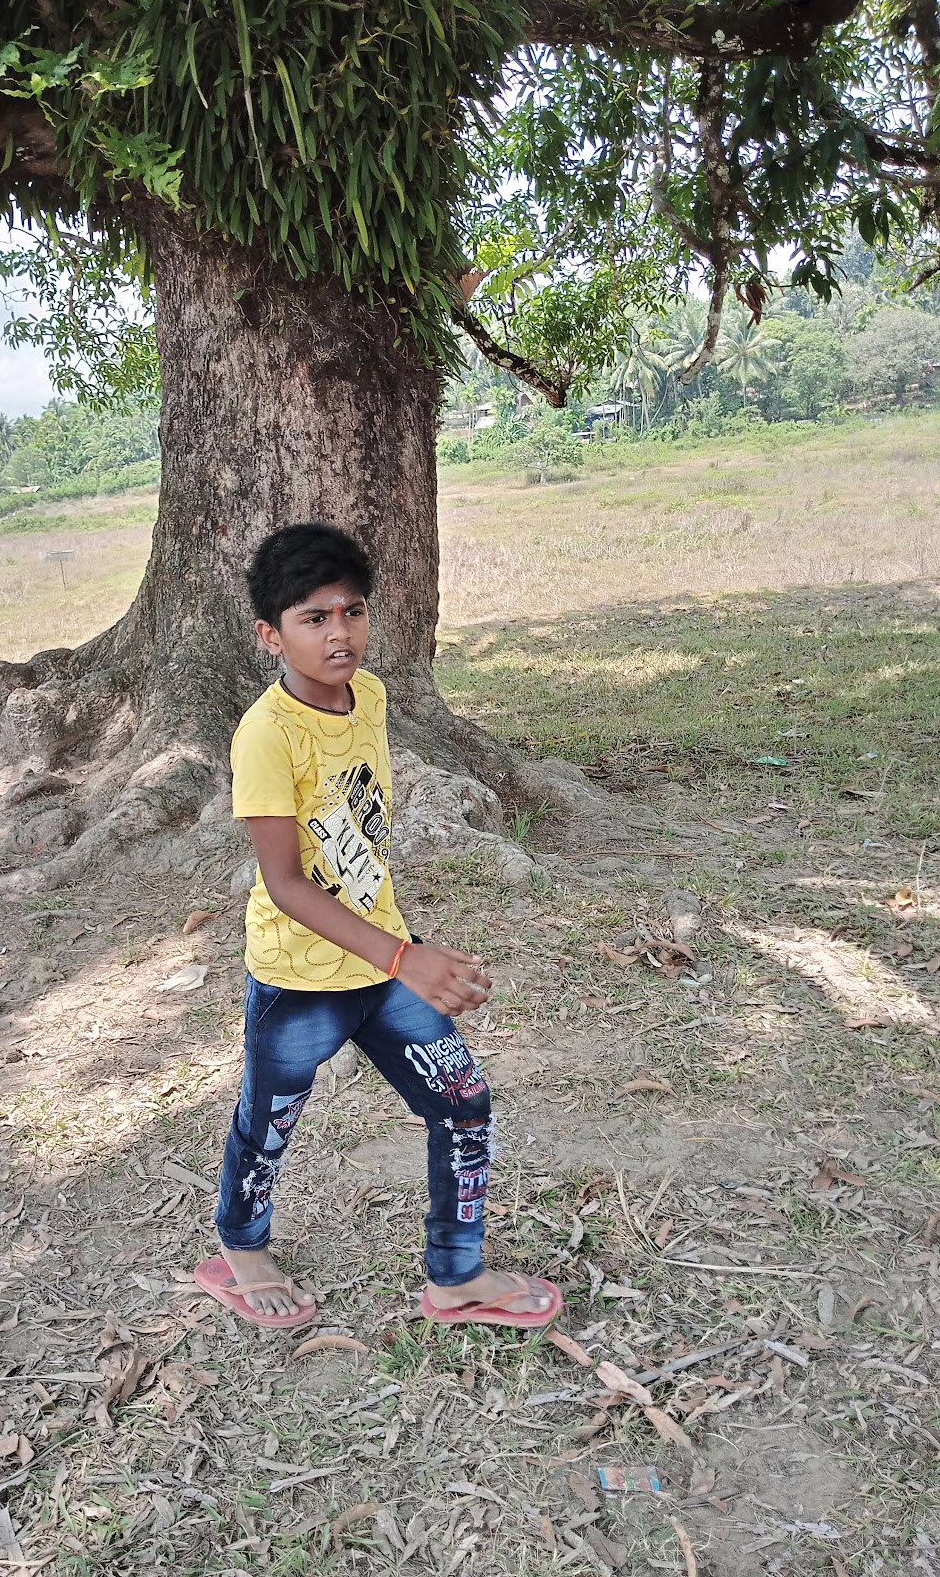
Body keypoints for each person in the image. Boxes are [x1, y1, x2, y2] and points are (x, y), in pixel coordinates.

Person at [194, 523, 563, 1330]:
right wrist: (407, 958)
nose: (339, 635)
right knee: (270, 1118)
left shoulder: (374, 697)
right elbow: (286, 884)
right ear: (270, 634)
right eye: (313, 619)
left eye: (351, 613)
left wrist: (398, 955)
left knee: (463, 1102)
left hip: (383, 964)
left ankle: (455, 1278)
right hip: (301, 978)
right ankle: (241, 1249)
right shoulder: (264, 735)